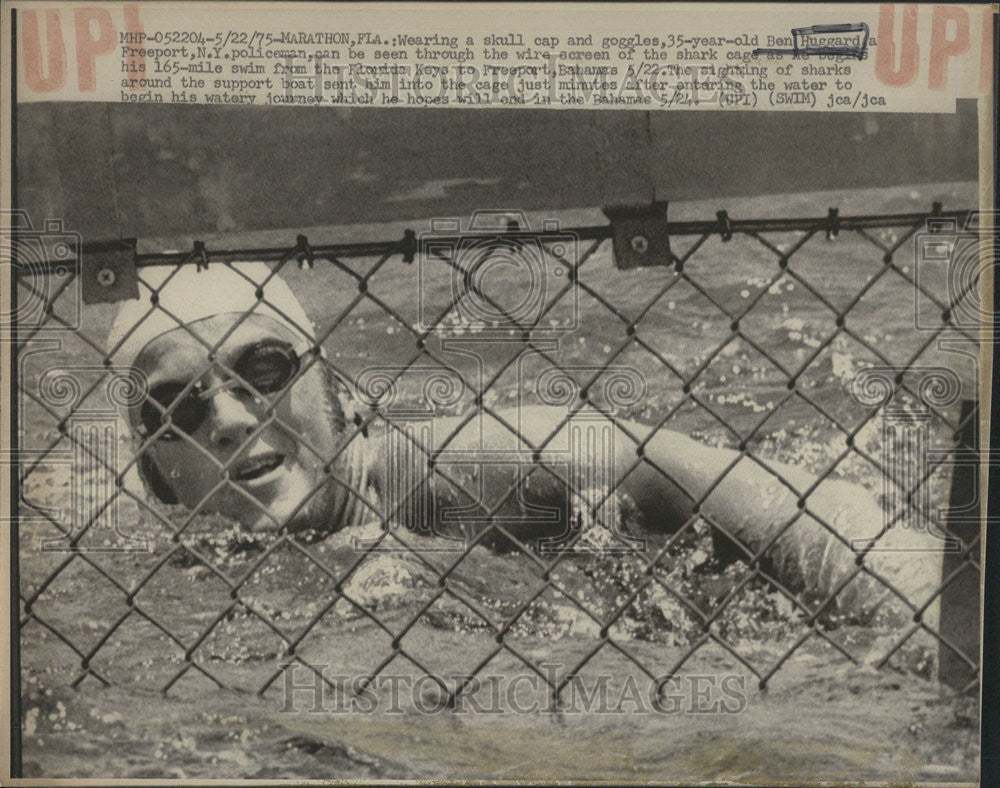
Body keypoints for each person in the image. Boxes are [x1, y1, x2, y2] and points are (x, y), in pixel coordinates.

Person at [107, 262, 945, 628]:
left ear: (344, 396)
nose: (225, 418)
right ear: (157, 476)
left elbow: (784, 505)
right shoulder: (176, 581)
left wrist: (920, 622)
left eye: (263, 366)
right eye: (175, 407)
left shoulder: (466, 469)